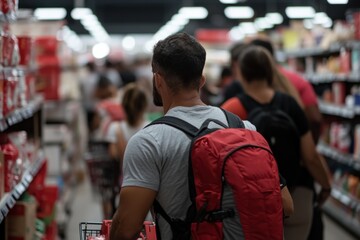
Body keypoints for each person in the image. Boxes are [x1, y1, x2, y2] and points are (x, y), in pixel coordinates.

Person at [110, 33, 293, 240]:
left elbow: (126, 229)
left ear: (158, 80)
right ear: (202, 81)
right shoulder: (244, 128)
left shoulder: (149, 141)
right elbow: (285, 205)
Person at [221, 46, 332, 240]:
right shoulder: (290, 103)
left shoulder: (232, 109)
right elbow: (310, 156)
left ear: (241, 73)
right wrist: (325, 184)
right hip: (298, 193)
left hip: (255, 200)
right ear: (271, 71)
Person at [249, 38, 324, 240]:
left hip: (255, 192)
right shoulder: (293, 87)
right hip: (298, 184)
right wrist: (325, 182)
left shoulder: (236, 101)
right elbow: (315, 121)